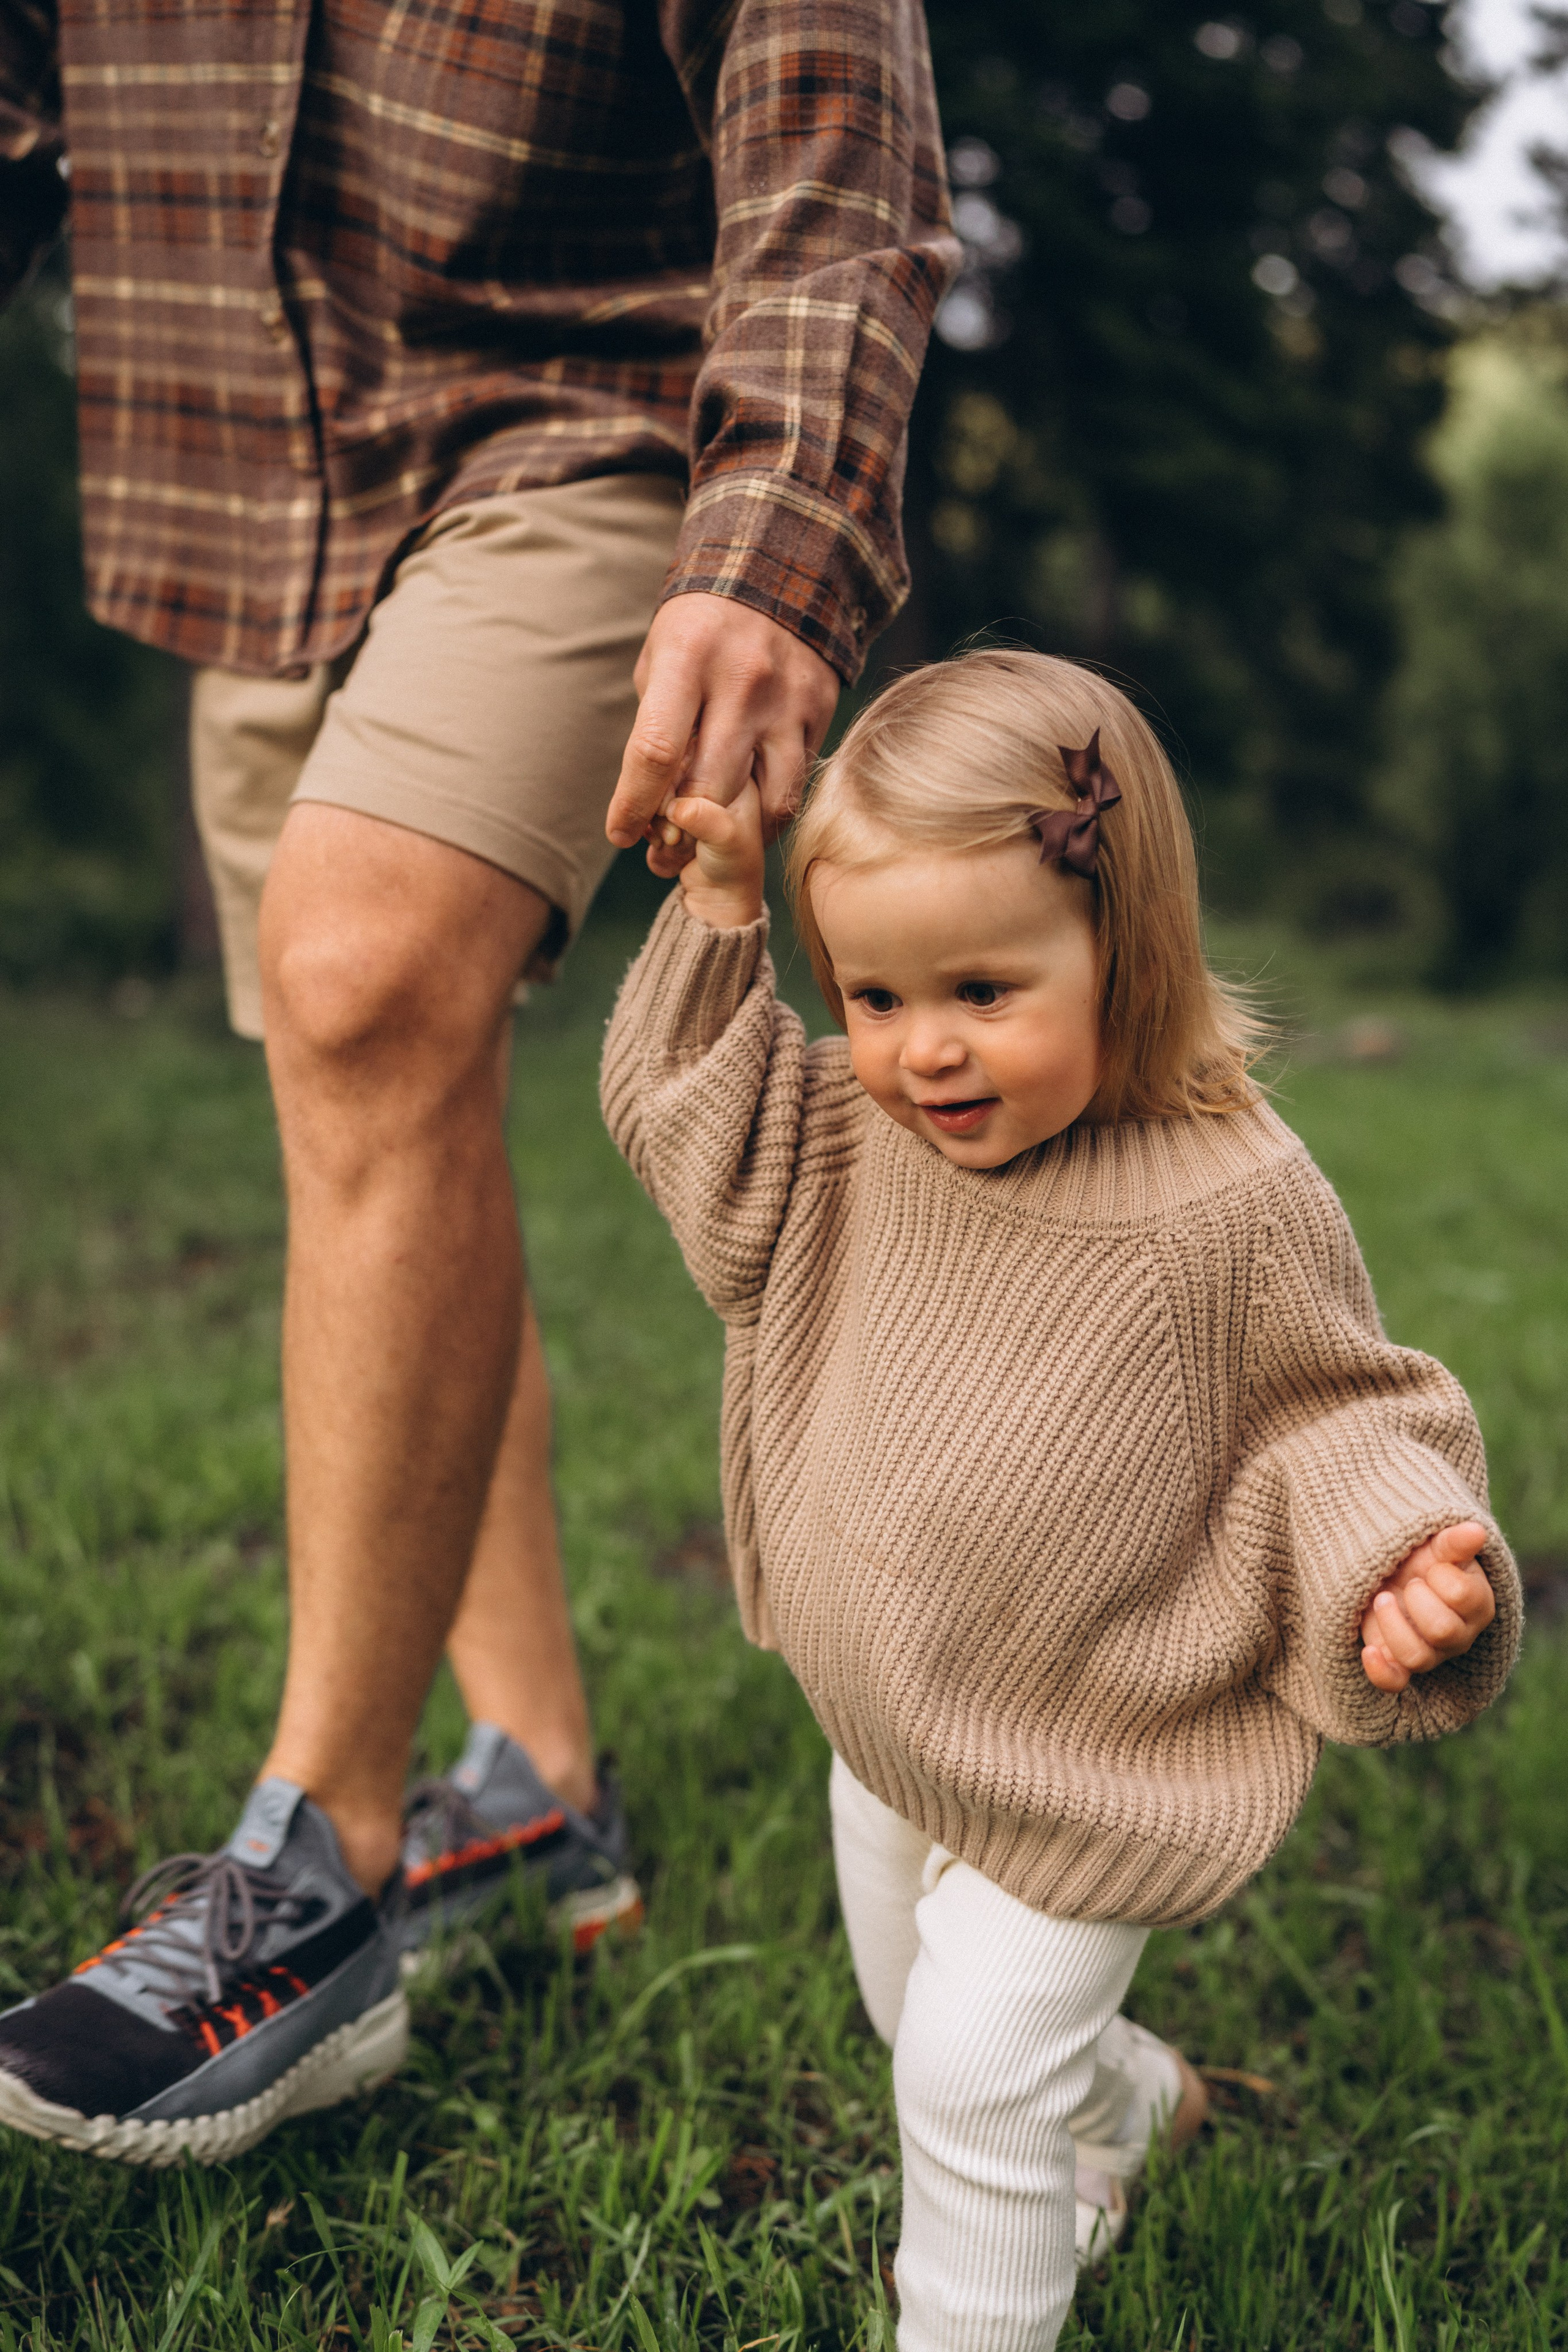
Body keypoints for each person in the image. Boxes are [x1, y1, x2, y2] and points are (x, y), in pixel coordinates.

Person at [0, 0, 956, 2161]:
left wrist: (779, 533)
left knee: (360, 982)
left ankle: (319, 1879)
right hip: (246, 494)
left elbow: (838, 148)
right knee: (375, 1104)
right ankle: (535, 1782)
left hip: (590, 425)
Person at [598, 646, 1522, 2348]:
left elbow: (1331, 1417)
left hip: (1094, 1746)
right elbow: (694, 1145)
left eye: (982, 989)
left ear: (1127, 950)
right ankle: (1130, 2104)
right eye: (875, 997)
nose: (924, 1052)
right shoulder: (851, 1135)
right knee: (916, 2017)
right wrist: (722, 922)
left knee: (965, 2072)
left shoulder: (1224, 1198)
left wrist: (1397, 1555)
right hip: (896, 1721)